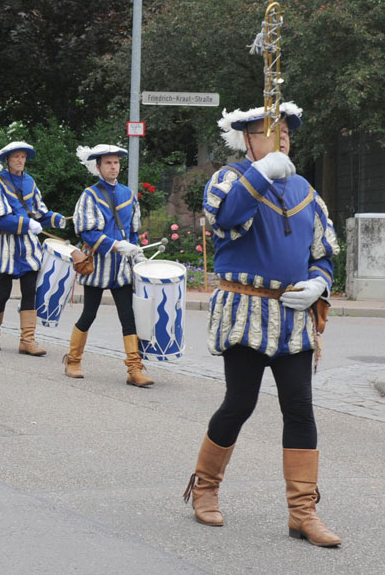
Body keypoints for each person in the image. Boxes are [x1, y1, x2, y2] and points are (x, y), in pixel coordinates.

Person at [183, 103, 340, 547]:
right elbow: (227, 217)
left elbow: (323, 252)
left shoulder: (306, 189)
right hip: (245, 310)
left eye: (286, 129)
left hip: (293, 315)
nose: (283, 136)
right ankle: (205, 487)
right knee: (239, 403)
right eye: (271, 130)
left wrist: (318, 283)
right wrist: (262, 172)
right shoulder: (232, 179)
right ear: (248, 140)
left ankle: (303, 513)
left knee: (301, 410)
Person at [65, 144, 152, 387]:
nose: (113, 167)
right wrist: (116, 245)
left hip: (122, 268)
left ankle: (134, 369)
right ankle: (73, 360)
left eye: (116, 163)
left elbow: (133, 230)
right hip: (97, 267)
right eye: (108, 163)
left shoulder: (128, 194)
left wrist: (135, 253)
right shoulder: (89, 195)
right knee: (89, 314)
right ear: (98, 167)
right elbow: (86, 231)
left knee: (128, 316)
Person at [0, 141, 67, 356]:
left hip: (28, 247)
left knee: (30, 291)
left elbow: (39, 212)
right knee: (4, 292)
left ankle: (27, 340)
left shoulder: (30, 181)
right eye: (16, 157)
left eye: (23, 157)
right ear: (7, 160)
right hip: (7, 247)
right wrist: (27, 224)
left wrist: (56, 220)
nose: (20, 160)